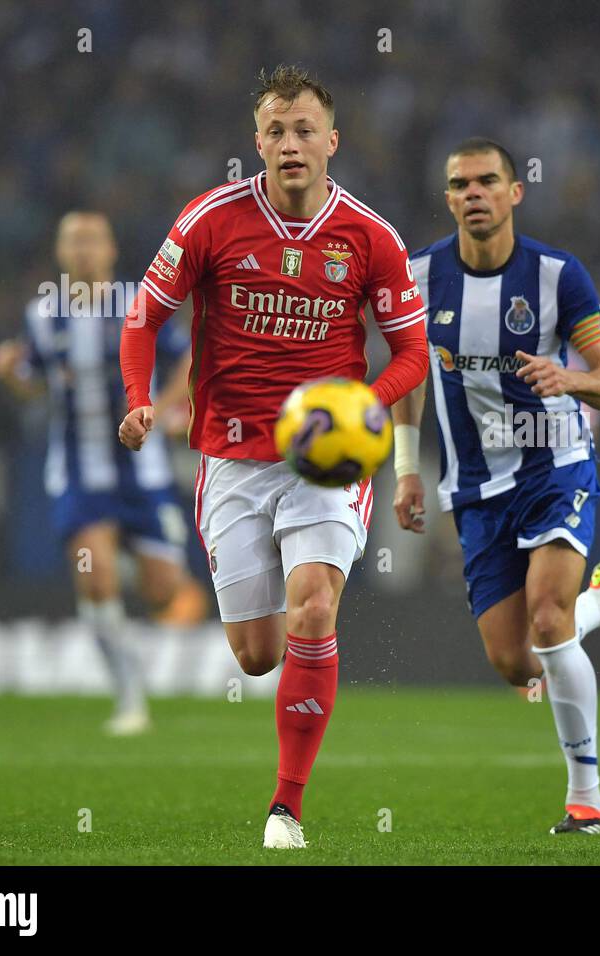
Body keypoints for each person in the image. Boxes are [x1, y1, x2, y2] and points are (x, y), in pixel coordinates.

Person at [117, 65, 428, 848]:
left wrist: (366, 403)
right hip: (229, 455)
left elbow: (414, 350)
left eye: (304, 131)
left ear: (332, 140)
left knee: (314, 607)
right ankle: (282, 726)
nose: (291, 144)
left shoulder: (370, 236)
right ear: (256, 143)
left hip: (326, 461)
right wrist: (137, 397)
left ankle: (285, 806)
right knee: (257, 655)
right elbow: (141, 317)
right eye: (275, 132)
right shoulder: (210, 220)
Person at [391, 138, 600, 836]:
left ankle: (586, 799)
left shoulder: (556, 276)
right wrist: (405, 468)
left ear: (515, 193)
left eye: (488, 181)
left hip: (554, 466)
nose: (473, 193)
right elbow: (407, 374)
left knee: (547, 621)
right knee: (516, 662)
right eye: (460, 184)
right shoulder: (417, 275)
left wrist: (568, 377)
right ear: (447, 198)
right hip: (476, 486)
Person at [0, 210, 203, 735]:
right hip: (78, 472)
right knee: (93, 575)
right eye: (73, 241)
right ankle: (130, 696)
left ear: (110, 250)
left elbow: (187, 357)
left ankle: (126, 556)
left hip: (142, 472)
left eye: (92, 240)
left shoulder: (141, 302)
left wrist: (169, 407)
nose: (83, 250)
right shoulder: (42, 315)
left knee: (164, 592)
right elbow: (34, 379)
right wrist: (9, 374)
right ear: (61, 254)